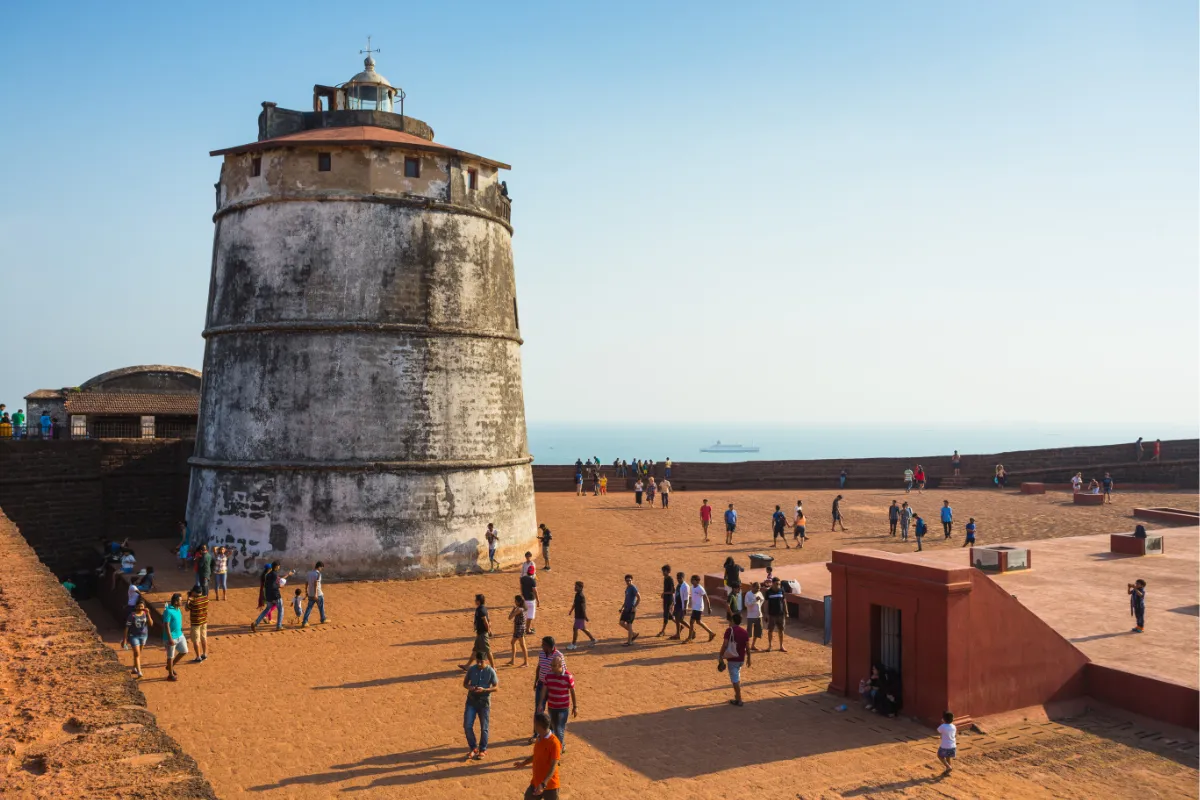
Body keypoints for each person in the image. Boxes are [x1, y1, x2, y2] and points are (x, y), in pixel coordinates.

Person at [514, 712, 561, 800]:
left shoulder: (554, 743)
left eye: (534, 723)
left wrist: (543, 784)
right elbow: (536, 755)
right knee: (528, 797)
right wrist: (523, 763)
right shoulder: (539, 738)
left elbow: (553, 766)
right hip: (536, 782)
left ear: (539, 726)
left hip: (550, 785)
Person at [463, 649, 498, 760]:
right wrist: (470, 687)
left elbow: (496, 687)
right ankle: (473, 748)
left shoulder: (491, 671)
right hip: (471, 701)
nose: (478, 664)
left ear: (486, 661)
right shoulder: (472, 669)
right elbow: (465, 684)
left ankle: (483, 749)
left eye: (481, 662)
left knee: (484, 728)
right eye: (477, 661)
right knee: (467, 726)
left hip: (484, 703)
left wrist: (485, 690)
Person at [540, 655, 577, 753]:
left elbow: (572, 691)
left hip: (563, 708)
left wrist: (575, 707)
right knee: (554, 726)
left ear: (560, 665)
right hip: (552, 707)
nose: (552, 668)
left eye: (554, 666)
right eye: (551, 665)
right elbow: (544, 689)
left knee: (558, 728)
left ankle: (557, 751)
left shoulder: (568, 676)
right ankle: (561, 744)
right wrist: (541, 703)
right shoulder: (549, 675)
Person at [532, 637, 566, 741]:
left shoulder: (558, 656)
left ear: (549, 646)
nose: (542, 646)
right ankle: (537, 733)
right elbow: (539, 667)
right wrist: (536, 681)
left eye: (543, 645)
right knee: (538, 709)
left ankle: (550, 733)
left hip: (552, 687)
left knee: (552, 710)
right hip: (541, 684)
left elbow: (563, 671)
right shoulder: (542, 654)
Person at [719, 613, 751, 706]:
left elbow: (725, 645)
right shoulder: (744, 632)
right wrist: (749, 658)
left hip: (732, 659)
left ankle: (739, 699)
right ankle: (737, 697)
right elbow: (747, 648)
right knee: (737, 677)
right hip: (741, 659)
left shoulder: (729, 631)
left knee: (735, 680)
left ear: (733, 621)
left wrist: (720, 655)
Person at [251, 563, 292, 632]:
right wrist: (280, 586)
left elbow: (268, 585)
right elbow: (277, 584)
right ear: (276, 567)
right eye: (278, 566)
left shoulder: (267, 575)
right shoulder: (275, 574)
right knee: (281, 610)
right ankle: (279, 626)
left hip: (268, 595)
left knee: (267, 609)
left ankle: (256, 622)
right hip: (275, 595)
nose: (279, 567)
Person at [462, 593, 495, 670]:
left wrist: (489, 631)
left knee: (487, 650)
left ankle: (493, 667)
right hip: (479, 634)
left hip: (483, 634)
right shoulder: (480, 608)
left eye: (476, 600)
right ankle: (467, 666)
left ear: (479, 601)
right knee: (475, 650)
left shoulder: (481, 610)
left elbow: (486, 622)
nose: (474, 601)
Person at [122, 598, 151, 678]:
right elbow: (127, 628)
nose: (140, 608)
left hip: (144, 636)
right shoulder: (132, 615)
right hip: (133, 636)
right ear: (136, 607)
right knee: (137, 653)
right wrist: (124, 639)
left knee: (138, 654)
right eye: (138, 606)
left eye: (141, 606)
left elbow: (151, 623)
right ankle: (139, 671)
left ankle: (134, 668)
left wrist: (148, 614)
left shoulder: (145, 613)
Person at [162, 593, 187, 681]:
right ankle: (170, 675)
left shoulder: (178, 609)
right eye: (180, 600)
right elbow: (166, 625)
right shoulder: (168, 611)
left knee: (184, 651)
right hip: (171, 637)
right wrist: (170, 638)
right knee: (170, 656)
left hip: (180, 635)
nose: (182, 601)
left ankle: (170, 666)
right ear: (176, 602)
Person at [686, 574, 716, 642]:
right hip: (695, 607)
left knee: (691, 622)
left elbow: (706, 598)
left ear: (697, 581)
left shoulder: (700, 588)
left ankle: (689, 638)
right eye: (691, 579)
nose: (691, 581)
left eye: (693, 580)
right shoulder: (692, 587)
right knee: (698, 622)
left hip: (698, 608)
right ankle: (711, 633)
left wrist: (709, 608)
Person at [566, 581, 596, 649]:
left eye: (576, 587)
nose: (575, 588)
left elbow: (583, 608)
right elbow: (575, 603)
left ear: (581, 588)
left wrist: (585, 616)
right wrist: (571, 610)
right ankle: (593, 639)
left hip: (580, 616)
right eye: (575, 586)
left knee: (575, 629)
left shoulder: (581, 596)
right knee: (582, 628)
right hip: (578, 615)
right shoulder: (577, 594)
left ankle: (574, 644)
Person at [186, 586, 210, 663]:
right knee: (204, 638)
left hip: (195, 623)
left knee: (196, 640)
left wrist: (188, 599)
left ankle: (198, 657)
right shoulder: (206, 599)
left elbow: (187, 608)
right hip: (204, 621)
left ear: (195, 592)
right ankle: (204, 654)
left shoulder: (193, 602)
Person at [764, 577, 788, 652]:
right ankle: (770, 645)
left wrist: (786, 612)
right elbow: (766, 603)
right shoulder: (768, 592)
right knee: (770, 630)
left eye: (779, 584)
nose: (778, 585)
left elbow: (784, 602)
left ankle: (781, 645)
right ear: (772, 584)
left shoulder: (781, 590)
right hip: (772, 615)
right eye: (776, 584)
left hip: (781, 614)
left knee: (781, 630)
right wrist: (766, 614)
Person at [302, 561, 328, 626]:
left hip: (310, 593)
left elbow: (306, 583)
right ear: (319, 567)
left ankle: (305, 621)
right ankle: (323, 619)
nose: (321, 569)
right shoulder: (318, 574)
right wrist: (315, 594)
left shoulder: (309, 573)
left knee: (309, 607)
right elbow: (316, 584)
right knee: (321, 607)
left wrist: (306, 591)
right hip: (318, 593)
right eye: (321, 568)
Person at [508, 594, 530, 665]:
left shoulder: (519, 609)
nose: (514, 602)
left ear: (518, 602)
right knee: (521, 644)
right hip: (521, 627)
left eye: (515, 601)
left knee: (517, 643)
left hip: (519, 628)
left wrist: (513, 610)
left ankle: (523, 662)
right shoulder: (522, 608)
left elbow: (510, 617)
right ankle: (514, 661)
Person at [619, 574, 640, 645]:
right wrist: (622, 607)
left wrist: (634, 607)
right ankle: (633, 634)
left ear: (632, 580)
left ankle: (629, 642)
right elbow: (626, 599)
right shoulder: (627, 588)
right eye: (627, 580)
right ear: (625, 581)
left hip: (631, 609)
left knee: (629, 624)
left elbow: (639, 598)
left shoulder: (633, 588)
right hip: (626, 609)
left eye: (630, 580)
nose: (628, 582)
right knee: (621, 623)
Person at [656, 565, 677, 637]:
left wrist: (664, 593)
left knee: (666, 615)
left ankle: (662, 631)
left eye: (664, 571)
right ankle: (680, 626)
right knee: (669, 616)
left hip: (669, 600)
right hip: (666, 599)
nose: (663, 572)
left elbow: (672, 591)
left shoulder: (670, 579)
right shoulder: (665, 578)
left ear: (668, 571)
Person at [520, 562, 540, 637]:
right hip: (531, 600)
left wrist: (522, 595)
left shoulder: (522, 579)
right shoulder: (532, 581)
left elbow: (521, 588)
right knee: (530, 616)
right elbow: (535, 591)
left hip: (524, 599)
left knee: (525, 615)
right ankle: (527, 630)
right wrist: (538, 600)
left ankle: (524, 628)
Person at [743, 582, 764, 651]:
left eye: (759, 588)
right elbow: (746, 604)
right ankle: (746, 646)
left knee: (757, 632)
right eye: (757, 587)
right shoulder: (748, 594)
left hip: (758, 615)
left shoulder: (759, 593)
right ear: (752, 587)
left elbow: (762, 599)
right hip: (751, 616)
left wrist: (759, 605)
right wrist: (755, 600)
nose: (758, 589)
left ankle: (753, 645)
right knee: (749, 632)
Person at [669, 570, 688, 640]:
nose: (678, 579)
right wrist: (673, 604)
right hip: (677, 605)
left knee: (681, 620)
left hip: (681, 606)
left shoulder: (685, 586)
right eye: (677, 578)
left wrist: (685, 608)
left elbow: (686, 598)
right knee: (677, 620)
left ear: (683, 578)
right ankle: (678, 634)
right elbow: (676, 595)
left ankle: (692, 630)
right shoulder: (678, 585)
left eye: (680, 578)